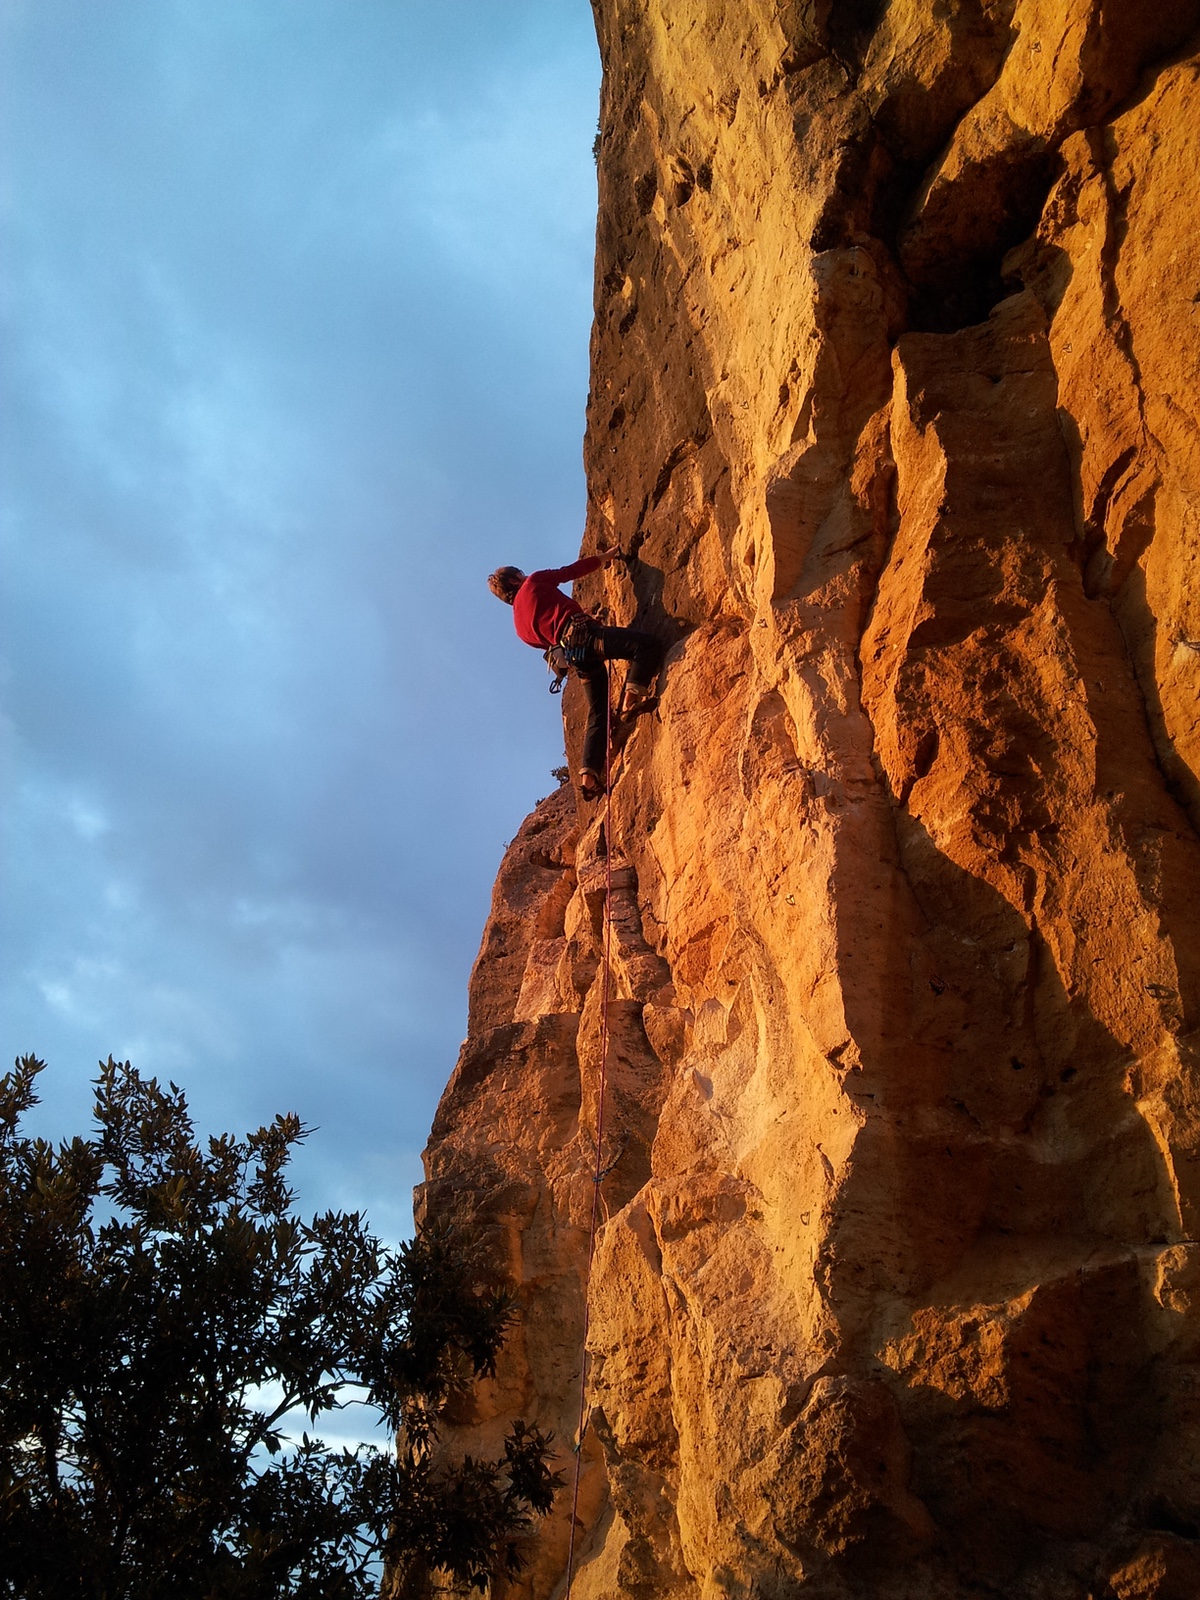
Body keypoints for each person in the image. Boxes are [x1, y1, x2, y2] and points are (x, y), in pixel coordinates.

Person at [488, 549, 663, 799]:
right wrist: (606, 557)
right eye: (520, 573)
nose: (524, 575)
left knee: (598, 712)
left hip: (576, 657)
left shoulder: (520, 628)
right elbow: (569, 572)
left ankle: (588, 776)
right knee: (646, 645)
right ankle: (630, 702)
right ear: (515, 580)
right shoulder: (534, 581)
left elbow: (549, 643)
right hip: (588, 636)